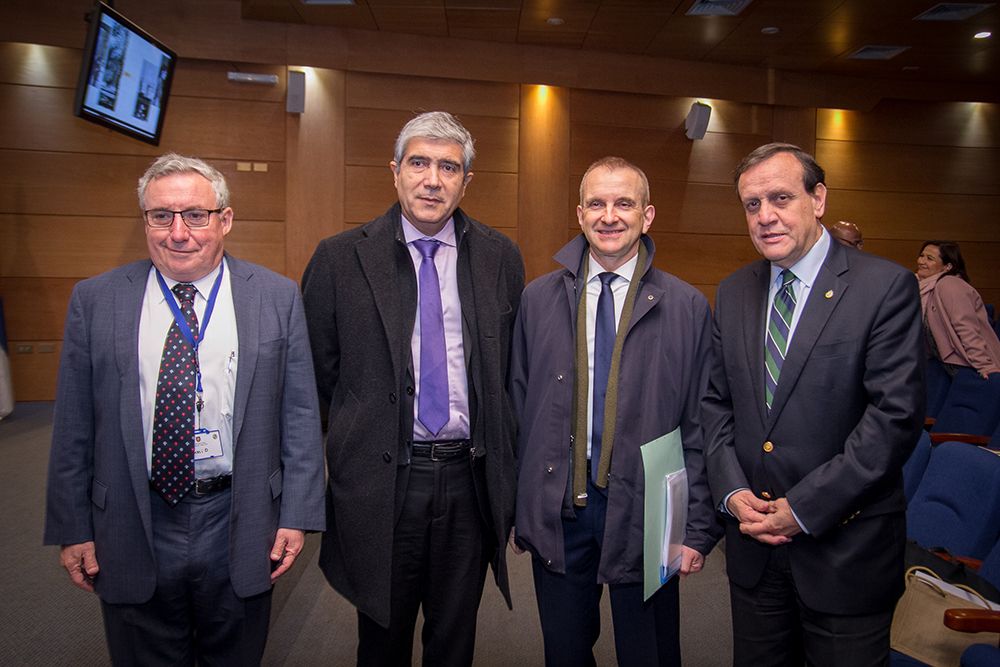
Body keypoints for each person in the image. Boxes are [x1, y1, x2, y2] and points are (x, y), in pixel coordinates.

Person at [44, 153, 326, 665]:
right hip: (132, 513)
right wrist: (72, 527)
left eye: (195, 215)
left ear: (225, 219)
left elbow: (300, 415)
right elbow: (74, 427)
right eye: (161, 216)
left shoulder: (276, 296)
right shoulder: (96, 300)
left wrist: (298, 514)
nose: (178, 232)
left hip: (239, 515)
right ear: (145, 221)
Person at [302, 111, 524, 666]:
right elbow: (319, 376)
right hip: (382, 484)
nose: (433, 179)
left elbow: (509, 377)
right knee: (381, 637)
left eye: (448, 167)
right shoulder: (339, 259)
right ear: (395, 172)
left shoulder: (500, 258)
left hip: (468, 482)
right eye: (419, 163)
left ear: (466, 182)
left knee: (455, 640)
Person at [702, 143, 925, 666]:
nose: (765, 216)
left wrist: (802, 509)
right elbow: (714, 406)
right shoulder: (734, 291)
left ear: (818, 198)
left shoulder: (884, 287)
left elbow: (893, 420)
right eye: (752, 205)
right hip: (754, 548)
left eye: (780, 197)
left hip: (845, 552)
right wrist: (732, 492)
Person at [510, 156, 721, 665]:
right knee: (564, 651)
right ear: (580, 214)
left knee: (648, 652)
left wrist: (696, 529)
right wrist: (521, 510)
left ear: (647, 216)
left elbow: (701, 425)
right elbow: (516, 411)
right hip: (561, 507)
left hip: (649, 511)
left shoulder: (688, 307)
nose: (610, 216)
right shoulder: (537, 300)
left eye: (624, 203)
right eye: (597, 204)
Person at [917, 240, 1000, 377]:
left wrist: (985, 366)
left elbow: (967, 328)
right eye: (921, 255)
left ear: (948, 266)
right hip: (948, 365)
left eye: (929, 258)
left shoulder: (950, 284)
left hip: (972, 366)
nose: (921, 261)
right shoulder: (923, 287)